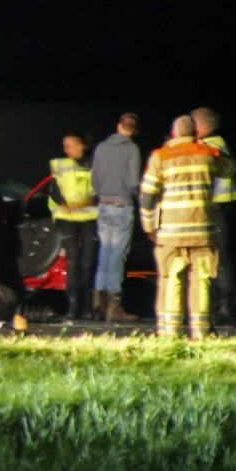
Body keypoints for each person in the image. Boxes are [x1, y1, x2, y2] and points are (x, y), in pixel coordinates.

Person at [140, 115, 236, 339]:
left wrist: (148, 226)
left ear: (173, 134)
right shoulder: (207, 154)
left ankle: (170, 332)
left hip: (170, 233)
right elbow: (230, 168)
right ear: (196, 134)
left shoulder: (160, 156)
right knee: (201, 280)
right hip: (202, 232)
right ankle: (201, 332)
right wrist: (206, 147)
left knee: (171, 279)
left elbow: (147, 196)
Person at [191, 107, 236, 324]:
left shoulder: (210, 147)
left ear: (201, 126)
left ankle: (223, 306)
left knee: (218, 257)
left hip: (216, 207)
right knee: (217, 256)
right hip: (219, 207)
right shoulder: (217, 144)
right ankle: (220, 304)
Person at [91, 113, 141, 321]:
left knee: (104, 256)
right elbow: (134, 181)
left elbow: (94, 178)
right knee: (116, 259)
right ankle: (114, 307)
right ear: (135, 130)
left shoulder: (101, 147)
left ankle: (97, 306)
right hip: (122, 206)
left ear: (118, 125)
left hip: (103, 206)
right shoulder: (132, 149)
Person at [49, 132, 98, 319]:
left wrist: (91, 201)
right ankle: (73, 306)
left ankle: (87, 307)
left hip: (89, 217)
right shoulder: (60, 165)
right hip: (67, 218)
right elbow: (54, 191)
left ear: (82, 145)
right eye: (65, 146)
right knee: (72, 263)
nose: (66, 149)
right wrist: (64, 204)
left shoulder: (95, 164)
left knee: (87, 263)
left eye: (70, 145)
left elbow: (101, 189)